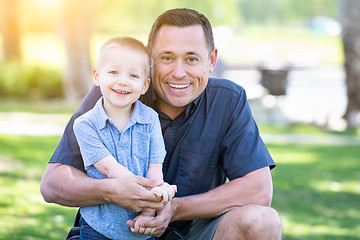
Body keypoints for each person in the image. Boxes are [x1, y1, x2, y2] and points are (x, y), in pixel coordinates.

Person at [40, 8, 283, 240]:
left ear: (211, 60)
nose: (179, 72)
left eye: (191, 58)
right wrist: (112, 190)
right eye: (167, 57)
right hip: (112, 233)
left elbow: (259, 190)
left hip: (193, 232)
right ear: (150, 58)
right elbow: (53, 184)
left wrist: (175, 208)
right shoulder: (116, 91)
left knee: (263, 221)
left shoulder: (228, 100)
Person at [72, 36, 176, 239]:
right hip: (98, 228)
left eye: (133, 76)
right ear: (96, 76)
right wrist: (154, 190)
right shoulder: (85, 124)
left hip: (139, 230)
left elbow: (155, 167)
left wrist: (148, 212)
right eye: (113, 72)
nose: (123, 81)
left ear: (145, 85)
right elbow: (109, 169)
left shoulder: (150, 120)